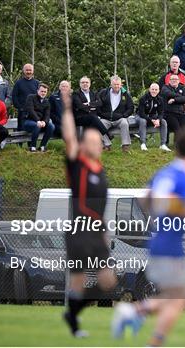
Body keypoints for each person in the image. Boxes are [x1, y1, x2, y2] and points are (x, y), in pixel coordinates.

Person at [111, 132, 185, 347]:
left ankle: (139, 316)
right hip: (170, 246)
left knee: (179, 296)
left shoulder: (164, 173)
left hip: (158, 241)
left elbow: (143, 198)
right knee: (181, 297)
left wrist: (158, 219)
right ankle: (140, 319)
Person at [60, 87, 116, 338]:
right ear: (84, 145)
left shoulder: (100, 168)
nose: (96, 144)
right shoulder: (78, 163)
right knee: (79, 281)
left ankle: (72, 312)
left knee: (108, 282)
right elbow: (70, 137)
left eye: (98, 141)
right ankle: (73, 323)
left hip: (96, 231)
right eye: (91, 141)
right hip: (80, 230)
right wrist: (67, 108)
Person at [97, 75, 134, 152]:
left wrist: (124, 115)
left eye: (118, 84)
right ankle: (107, 144)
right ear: (111, 84)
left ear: (121, 85)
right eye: (114, 84)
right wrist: (101, 114)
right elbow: (98, 105)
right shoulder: (103, 93)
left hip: (119, 119)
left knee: (124, 123)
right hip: (106, 119)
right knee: (98, 125)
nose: (116, 86)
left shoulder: (125, 94)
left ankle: (125, 146)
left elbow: (131, 107)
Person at [137, 83, 171, 152]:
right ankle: (143, 143)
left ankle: (163, 144)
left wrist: (158, 120)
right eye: (152, 89)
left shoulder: (160, 99)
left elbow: (161, 112)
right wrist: (151, 120)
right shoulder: (143, 98)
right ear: (149, 89)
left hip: (152, 116)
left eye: (156, 90)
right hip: (140, 116)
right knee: (143, 121)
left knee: (163, 121)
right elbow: (141, 113)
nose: (154, 91)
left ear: (158, 91)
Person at [24, 83, 55, 152]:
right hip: (29, 121)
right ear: (37, 90)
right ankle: (33, 146)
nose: (43, 93)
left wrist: (44, 121)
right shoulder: (31, 97)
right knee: (36, 125)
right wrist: (38, 120)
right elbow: (30, 110)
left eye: (45, 92)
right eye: (41, 91)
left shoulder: (47, 102)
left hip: (41, 123)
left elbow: (47, 115)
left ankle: (42, 146)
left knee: (51, 126)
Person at [161, 74, 185, 146]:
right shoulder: (165, 87)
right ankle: (178, 145)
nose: (174, 81)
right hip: (169, 114)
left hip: (181, 113)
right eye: (172, 79)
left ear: (179, 81)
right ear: (169, 81)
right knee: (177, 128)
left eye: (176, 79)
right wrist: (181, 96)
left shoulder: (183, 88)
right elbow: (167, 94)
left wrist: (175, 99)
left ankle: (183, 144)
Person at [12, 63, 39, 130]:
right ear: (24, 71)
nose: (28, 72)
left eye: (30, 70)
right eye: (27, 70)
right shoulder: (18, 83)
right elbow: (14, 96)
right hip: (22, 112)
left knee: (33, 130)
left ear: (33, 71)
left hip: (34, 111)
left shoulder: (37, 83)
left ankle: (32, 141)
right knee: (21, 130)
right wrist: (20, 107)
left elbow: (40, 97)